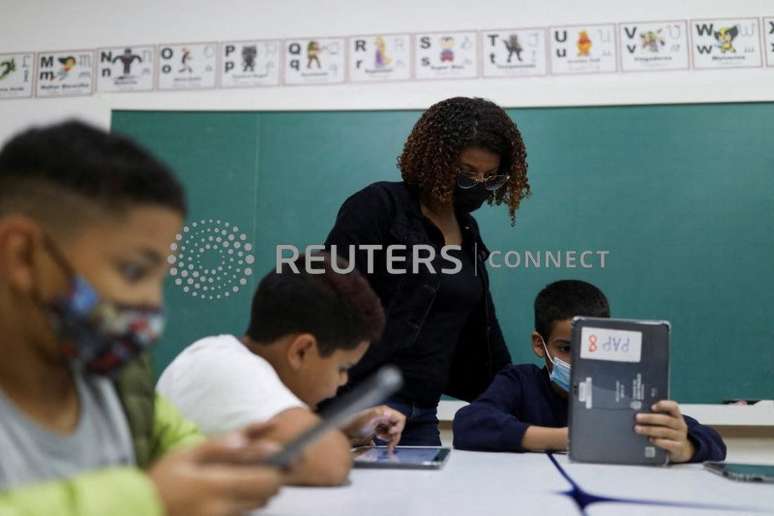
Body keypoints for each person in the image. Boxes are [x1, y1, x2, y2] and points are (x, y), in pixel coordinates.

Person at [0, 121, 282, 516]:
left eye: (159, 279)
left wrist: (219, 467)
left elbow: (184, 447)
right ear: (22, 255)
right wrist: (150, 500)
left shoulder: (119, 380)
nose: (152, 303)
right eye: (133, 271)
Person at [324, 96, 530, 445]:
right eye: (467, 174)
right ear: (435, 161)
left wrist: (516, 396)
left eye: (490, 178)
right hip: (358, 406)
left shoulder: (468, 232)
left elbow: (483, 328)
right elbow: (327, 304)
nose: (478, 186)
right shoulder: (379, 208)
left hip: (421, 414)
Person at [158, 252, 406, 486]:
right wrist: (333, 436)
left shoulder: (221, 354)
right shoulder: (232, 372)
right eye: (342, 367)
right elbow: (329, 462)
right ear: (301, 351)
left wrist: (342, 427)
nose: (342, 381)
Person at [453, 280, 727, 463]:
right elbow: (469, 424)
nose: (579, 360)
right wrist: (569, 439)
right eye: (566, 348)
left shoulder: (625, 391)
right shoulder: (520, 382)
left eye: (589, 348)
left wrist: (684, 447)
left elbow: (714, 442)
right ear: (540, 344)